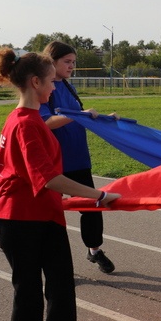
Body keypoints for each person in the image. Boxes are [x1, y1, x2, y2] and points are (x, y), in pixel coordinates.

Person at [0, 48, 120, 321]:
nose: (53, 89)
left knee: (36, 289)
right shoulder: (27, 124)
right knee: (58, 294)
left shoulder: (20, 118)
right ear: (35, 82)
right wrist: (98, 195)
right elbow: (47, 178)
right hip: (27, 221)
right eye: (49, 83)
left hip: (28, 218)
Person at [40, 40, 116, 274]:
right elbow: (45, 122)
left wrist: (104, 118)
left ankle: (94, 251)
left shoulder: (69, 87)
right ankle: (54, 266)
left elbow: (80, 116)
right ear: (52, 62)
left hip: (79, 159)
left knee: (93, 206)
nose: (72, 66)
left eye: (74, 62)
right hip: (56, 164)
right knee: (51, 215)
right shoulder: (44, 88)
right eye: (67, 62)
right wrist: (80, 115)